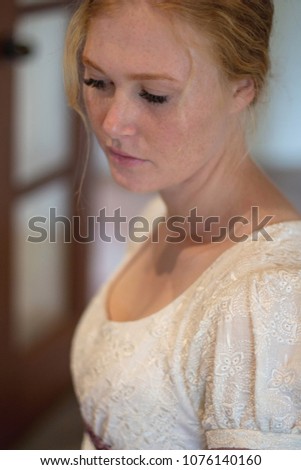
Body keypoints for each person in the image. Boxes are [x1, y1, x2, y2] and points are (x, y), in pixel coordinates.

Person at [64, 0, 301, 450]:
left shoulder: (272, 299)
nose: (113, 124)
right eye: (98, 81)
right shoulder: (161, 215)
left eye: (154, 94)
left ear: (242, 87)